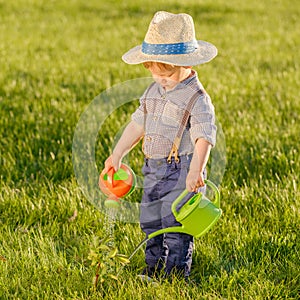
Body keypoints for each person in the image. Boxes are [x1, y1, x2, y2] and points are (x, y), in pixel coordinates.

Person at [103, 11, 217, 281]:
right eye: (155, 74)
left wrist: (196, 171)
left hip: (181, 168)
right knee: (151, 219)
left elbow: (204, 136)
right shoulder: (154, 91)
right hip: (152, 167)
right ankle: (152, 269)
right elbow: (138, 124)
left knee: (175, 224)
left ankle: (176, 276)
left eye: (167, 74)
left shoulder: (197, 98)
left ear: (186, 64)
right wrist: (118, 153)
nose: (161, 80)